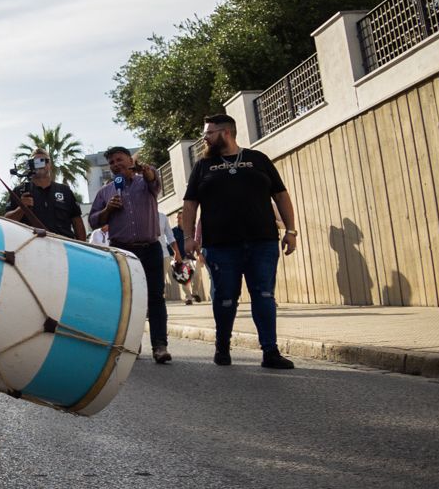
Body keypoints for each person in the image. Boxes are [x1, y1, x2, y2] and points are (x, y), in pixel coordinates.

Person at [178, 115, 299, 371]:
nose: (205, 137)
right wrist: (188, 237)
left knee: (264, 295)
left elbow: (281, 195)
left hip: (262, 242)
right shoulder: (203, 166)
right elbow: (190, 205)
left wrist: (291, 230)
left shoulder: (258, 160)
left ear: (227, 132)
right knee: (225, 298)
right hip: (221, 246)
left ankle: (270, 351)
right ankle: (222, 346)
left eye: (209, 132)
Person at [87, 146, 173, 364]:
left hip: (151, 248)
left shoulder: (145, 183)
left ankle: (160, 346)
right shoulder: (106, 192)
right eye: (112, 163)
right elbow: (94, 221)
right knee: (129, 300)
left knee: (155, 297)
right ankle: (133, 345)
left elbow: (155, 180)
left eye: (119, 160)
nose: (116, 165)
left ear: (129, 160)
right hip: (123, 251)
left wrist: (145, 170)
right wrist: (108, 210)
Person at [0, 153, 86, 240]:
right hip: (29, 246)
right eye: (36, 162)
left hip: (63, 246)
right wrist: (21, 208)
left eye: (44, 161)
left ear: (50, 165)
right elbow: (7, 221)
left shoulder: (65, 191)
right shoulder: (19, 191)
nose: (40, 165)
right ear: (31, 165)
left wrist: (83, 250)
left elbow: (77, 224)